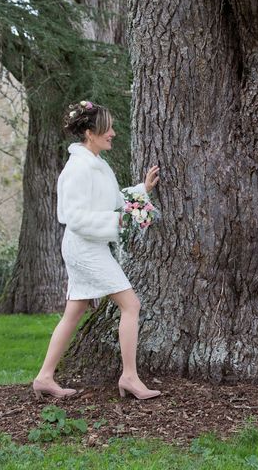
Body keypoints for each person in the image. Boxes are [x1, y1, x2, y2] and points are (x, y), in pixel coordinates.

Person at [32, 100, 161, 400]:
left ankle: (44, 377)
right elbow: (73, 218)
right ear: (90, 132)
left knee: (74, 312)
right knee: (131, 305)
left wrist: (142, 190)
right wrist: (118, 221)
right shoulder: (77, 168)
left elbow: (114, 200)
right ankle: (129, 376)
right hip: (84, 249)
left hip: (92, 245)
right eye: (108, 128)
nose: (113, 133)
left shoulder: (98, 165)